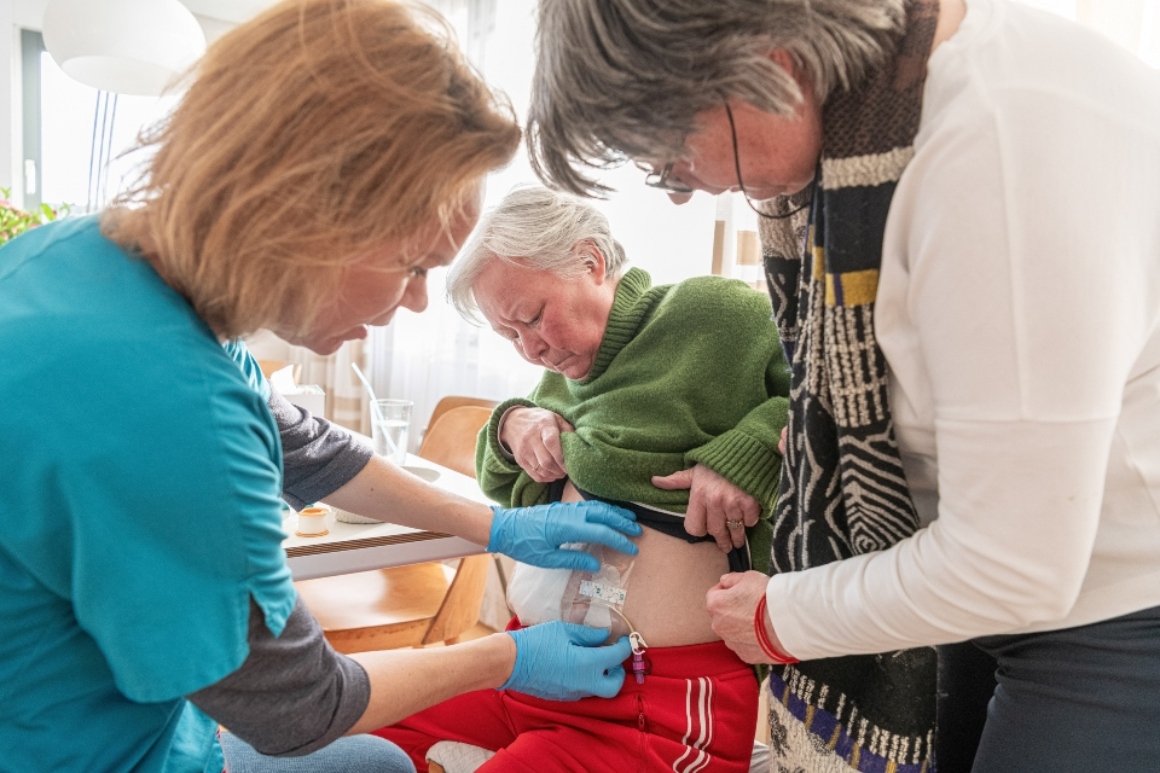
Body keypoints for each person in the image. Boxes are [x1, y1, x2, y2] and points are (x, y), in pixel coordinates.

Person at [0, 2, 647, 772]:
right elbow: (301, 708)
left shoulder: (82, 257)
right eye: (413, 267)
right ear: (312, 215)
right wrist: (505, 657)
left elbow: (305, 447)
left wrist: (493, 527)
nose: (413, 303)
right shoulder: (172, 419)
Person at [525, 0, 1160, 771]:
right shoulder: (877, 139)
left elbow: (1013, 563)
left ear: (765, 63)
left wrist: (782, 616)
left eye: (669, 157)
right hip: (994, 589)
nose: (680, 192)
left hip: (1116, 600)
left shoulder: (995, 152)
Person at [372, 186, 790, 773]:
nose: (531, 350)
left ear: (590, 261)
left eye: (533, 318)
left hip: (651, 701)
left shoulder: (711, 315)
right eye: (509, 336)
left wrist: (748, 454)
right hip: (529, 664)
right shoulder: (560, 378)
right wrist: (511, 425)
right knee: (364, 728)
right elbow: (503, 487)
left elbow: (824, 396)